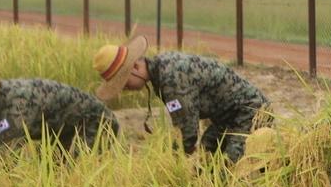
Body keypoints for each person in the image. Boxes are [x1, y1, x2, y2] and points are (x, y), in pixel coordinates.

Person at [92, 34, 268, 162]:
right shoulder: (161, 67)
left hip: (250, 111)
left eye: (123, 82)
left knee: (229, 162)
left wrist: (172, 163)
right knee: (208, 154)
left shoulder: (170, 79)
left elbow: (187, 131)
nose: (125, 89)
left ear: (136, 67)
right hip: (227, 117)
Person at [0, 68, 119, 151]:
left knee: (68, 173)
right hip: (62, 130)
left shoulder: (16, 104)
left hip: (97, 123)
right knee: (48, 166)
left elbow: (6, 152)